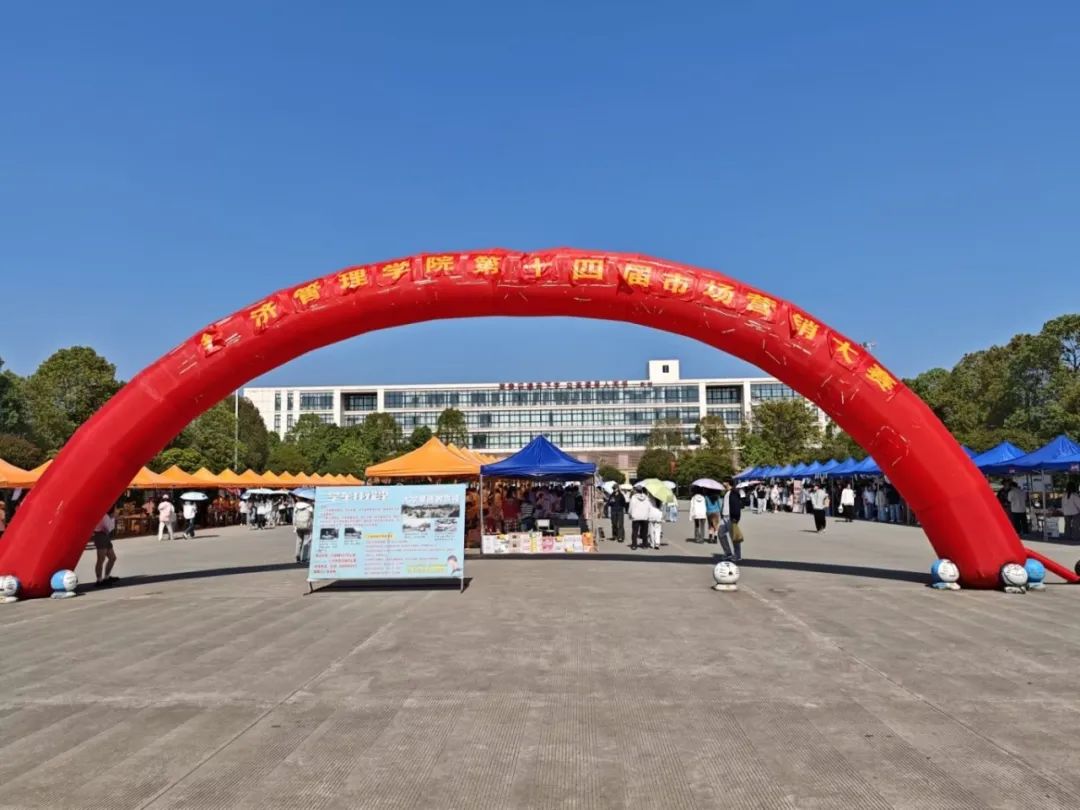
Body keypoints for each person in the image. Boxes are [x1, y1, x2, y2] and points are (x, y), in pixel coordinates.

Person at [92, 507, 118, 586]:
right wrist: (113, 517)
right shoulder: (104, 516)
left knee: (112, 558)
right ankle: (99, 580)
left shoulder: (108, 517)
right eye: (115, 509)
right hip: (100, 536)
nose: (117, 511)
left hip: (105, 536)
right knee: (101, 559)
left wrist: (113, 517)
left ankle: (106, 577)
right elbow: (109, 528)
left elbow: (110, 528)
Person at [293, 496, 314, 562]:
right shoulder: (309, 506)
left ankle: (297, 556)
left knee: (299, 541)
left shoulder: (296, 505)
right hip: (307, 525)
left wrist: (294, 526)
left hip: (298, 525)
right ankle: (305, 558)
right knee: (306, 541)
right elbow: (312, 516)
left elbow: (294, 516)